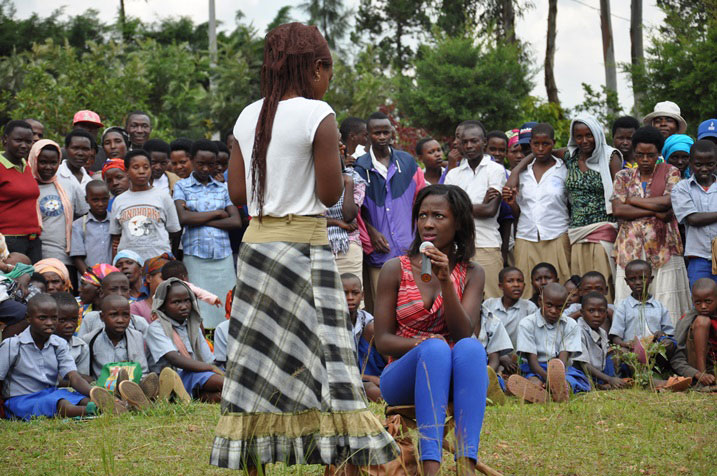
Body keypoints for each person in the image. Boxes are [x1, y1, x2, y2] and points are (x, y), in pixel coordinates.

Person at [211, 23, 396, 471]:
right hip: (304, 249)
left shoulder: (247, 115)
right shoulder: (319, 114)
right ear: (315, 68)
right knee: (328, 358)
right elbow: (332, 195)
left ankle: (250, 459)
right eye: (328, 71)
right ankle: (343, 458)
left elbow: (238, 192)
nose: (328, 80)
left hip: (256, 249)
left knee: (257, 356)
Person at [375, 184, 487, 476]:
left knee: (472, 348)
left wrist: (446, 281)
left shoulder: (472, 273)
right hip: (401, 376)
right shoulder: (394, 269)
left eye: (438, 216)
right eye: (422, 215)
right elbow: (383, 341)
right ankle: (431, 469)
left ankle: (466, 466)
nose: (427, 223)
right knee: (436, 349)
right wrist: (423, 345)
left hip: (451, 374)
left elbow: (464, 334)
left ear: (458, 222)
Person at [611, 126, 691, 322]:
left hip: (664, 247)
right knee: (630, 303)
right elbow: (618, 210)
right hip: (631, 249)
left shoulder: (670, 172)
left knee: (667, 299)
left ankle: (667, 347)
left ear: (659, 153)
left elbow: (668, 202)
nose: (645, 160)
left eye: (650, 155)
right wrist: (655, 211)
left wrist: (630, 200)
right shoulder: (624, 176)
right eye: (640, 155)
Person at [0, 294, 116, 420]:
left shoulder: (59, 344)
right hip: (22, 400)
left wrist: (95, 394)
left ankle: (109, 405)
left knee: (83, 399)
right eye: (42, 318)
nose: (49, 323)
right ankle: (101, 410)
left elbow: (74, 377)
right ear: (28, 318)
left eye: (54, 318)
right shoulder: (12, 345)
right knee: (63, 405)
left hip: (51, 394)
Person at [354, 111, 426, 313]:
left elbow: (421, 201)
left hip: (409, 248)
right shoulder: (360, 168)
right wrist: (371, 234)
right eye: (377, 133)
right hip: (380, 251)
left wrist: (418, 238)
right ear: (368, 136)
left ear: (392, 133)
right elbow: (357, 211)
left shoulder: (408, 162)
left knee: (413, 306)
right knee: (383, 309)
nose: (382, 137)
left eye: (386, 132)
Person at [174, 139, 240, 328]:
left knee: (225, 304)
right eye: (200, 163)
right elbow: (183, 218)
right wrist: (218, 213)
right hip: (195, 255)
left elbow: (235, 221)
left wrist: (199, 218)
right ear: (191, 160)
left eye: (210, 164)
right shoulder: (182, 186)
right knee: (200, 305)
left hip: (222, 255)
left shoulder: (224, 187)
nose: (205, 168)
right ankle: (204, 350)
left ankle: (222, 347)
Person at [504, 123, 570, 298]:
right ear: (531, 144)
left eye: (546, 144)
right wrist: (511, 204)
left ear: (553, 143)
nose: (540, 149)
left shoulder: (563, 169)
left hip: (557, 235)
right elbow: (519, 212)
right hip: (526, 236)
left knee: (560, 288)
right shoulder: (521, 173)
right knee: (524, 292)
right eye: (536, 144)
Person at [564, 114, 623, 302]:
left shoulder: (610, 157)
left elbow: (619, 195)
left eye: (589, 135)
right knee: (579, 290)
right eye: (578, 136)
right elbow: (541, 150)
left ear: (597, 134)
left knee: (602, 288)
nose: (584, 141)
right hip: (577, 234)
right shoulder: (570, 156)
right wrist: (516, 171)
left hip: (603, 233)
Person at [444, 121, 506, 298]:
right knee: (460, 301)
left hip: (486, 245)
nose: (469, 146)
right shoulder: (452, 174)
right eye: (465, 142)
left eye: (474, 141)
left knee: (492, 302)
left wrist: (458, 207)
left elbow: (490, 211)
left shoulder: (495, 170)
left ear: (484, 142)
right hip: (458, 247)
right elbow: (447, 211)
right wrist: (478, 205)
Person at [145, 279, 222, 401]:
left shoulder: (192, 326)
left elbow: (208, 360)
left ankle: (185, 398)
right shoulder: (156, 328)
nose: (184, 306)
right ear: (163, 306)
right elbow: (174, 359)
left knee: (222, 396)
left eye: (187, 300)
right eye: (176, 302)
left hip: (197, 374)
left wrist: (212, 368)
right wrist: (209, 368)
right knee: (224, 383)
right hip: (173, 376)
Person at [510, 283, 588, 403]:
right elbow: (533, 363)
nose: (553, 311)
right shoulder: (527, 324)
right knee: (534, 380)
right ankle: (540, 392)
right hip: (537, 368)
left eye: (559, 307)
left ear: (566, 306)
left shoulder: (570, 325)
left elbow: (562, 360)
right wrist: (549, 380)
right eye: (549, 305)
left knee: (571, 381)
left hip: (561, 370)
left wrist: (556, 379)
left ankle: (561, 390)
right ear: (540, 301)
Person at [29, 139, 87, 287]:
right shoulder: (26, 187)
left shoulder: (68, 184)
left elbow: (83, 214)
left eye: (53, 163)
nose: (48, 167)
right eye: (43, 162)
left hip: (64, 258)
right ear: (34, 160)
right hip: (34, 257)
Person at [109, 150, 181, 263]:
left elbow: (174, 231)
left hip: (158, 261)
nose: (142, 171)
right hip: (129, 263)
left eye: (146, 167)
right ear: (127, 171)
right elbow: (115, 237)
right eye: (136, 167)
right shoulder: (119, 201)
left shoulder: (163, 197)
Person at [671, 140, 717, 286]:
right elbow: (692, 219)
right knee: (701, 303)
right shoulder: (682, 188)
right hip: (699, 258)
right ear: (690, 163)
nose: (704, 169)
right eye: (698, 164)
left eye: (710, 164)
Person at [609, 259, 675, 353]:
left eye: (642, 278)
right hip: (631, 351)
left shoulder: (659, 307)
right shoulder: (622, 307)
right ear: (626, 281)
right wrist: (626, 344)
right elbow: (615, 337)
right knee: (619, 353)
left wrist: (661, 335)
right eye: (632, 279)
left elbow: (669, 334)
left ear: (651, 279)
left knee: (669, 344)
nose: (638, 282)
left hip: (655, 350)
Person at [0, 120, 42, 262]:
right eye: (18, 140)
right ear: (5, 139)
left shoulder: (26, 165)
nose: (24, 145)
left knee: (35, 282)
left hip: (32, 239)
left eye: (28, 141)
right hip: (9, 240)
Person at [341, 273, 385, 402]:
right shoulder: (330, 324)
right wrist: (369, 378)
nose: (350, 298)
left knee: (375, 328)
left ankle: (392, 375)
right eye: (344, 293)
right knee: (372, 390)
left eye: (355, 293)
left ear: (363, 295)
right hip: (348, 377)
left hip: (371, 369)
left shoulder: (366, 319)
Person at [83, 294, 148, 380]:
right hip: (100, 388)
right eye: (114, 315)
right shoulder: (90, 339)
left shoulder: (136, 337)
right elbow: (83, 374)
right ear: (102, 317)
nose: (120, 320)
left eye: (125, 315)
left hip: (129, 387)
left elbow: (142, 371)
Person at [326, 148, 366, 286]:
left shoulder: (355, 179)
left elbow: (349, 215)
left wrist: (347, 183)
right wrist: (337, 222)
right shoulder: (311, 181)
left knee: (352, 299)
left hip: (347, 246)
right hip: (319, 245)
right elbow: (308, 218)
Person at [483, 267, 538, 363]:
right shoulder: (489, 305)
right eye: (510, 281)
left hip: (519, 360)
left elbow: (534, 339)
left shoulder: (529, 308)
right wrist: (499, 356)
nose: (516, 285)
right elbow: (483, 335)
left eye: (519, 281)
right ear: (501, 286)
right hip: (492, 356)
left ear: (524, 285)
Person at [573, 292, 627, 389]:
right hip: (582, 373)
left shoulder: (602, 332)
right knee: (575, 380)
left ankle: (607, 384)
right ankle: (598, 385)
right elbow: (584, 365)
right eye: (591, 310)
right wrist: (609, 379)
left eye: (601, 311)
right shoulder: (577, 331)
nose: (597, 315)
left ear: (606, 314)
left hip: (600, 374)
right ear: (582, 312)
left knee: (616, 354)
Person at [671, 278, 717, 387]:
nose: (703, 306)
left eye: (708, 301)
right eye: (698, 302)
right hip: (695, 367)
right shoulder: (686, 320)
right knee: (702, 321)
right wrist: (697, 374)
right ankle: (703, 379)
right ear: (692, 300)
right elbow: (676, 356)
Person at [78, 271, 149, 337]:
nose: (119, 294)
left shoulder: (138, 322)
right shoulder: (91, 319)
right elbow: (82, 346)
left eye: (124, 289)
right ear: (101, 293)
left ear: (129, 293)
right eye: (113, 289)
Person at [71, 180, 111, 275]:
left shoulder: (115, 222)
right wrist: (90, 278)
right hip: (89, 282)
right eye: (95, 200)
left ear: (109, 198)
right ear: (86, 199)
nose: (100, 204)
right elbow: (77, 258)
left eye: (104, 199)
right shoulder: (78, 225)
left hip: (112, 277)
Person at [52, 292, 90, 382]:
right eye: (62, 320)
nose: (69, 325)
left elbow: (84, 379)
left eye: (74, 319)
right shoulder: (42, 344)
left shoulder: (81, 347)